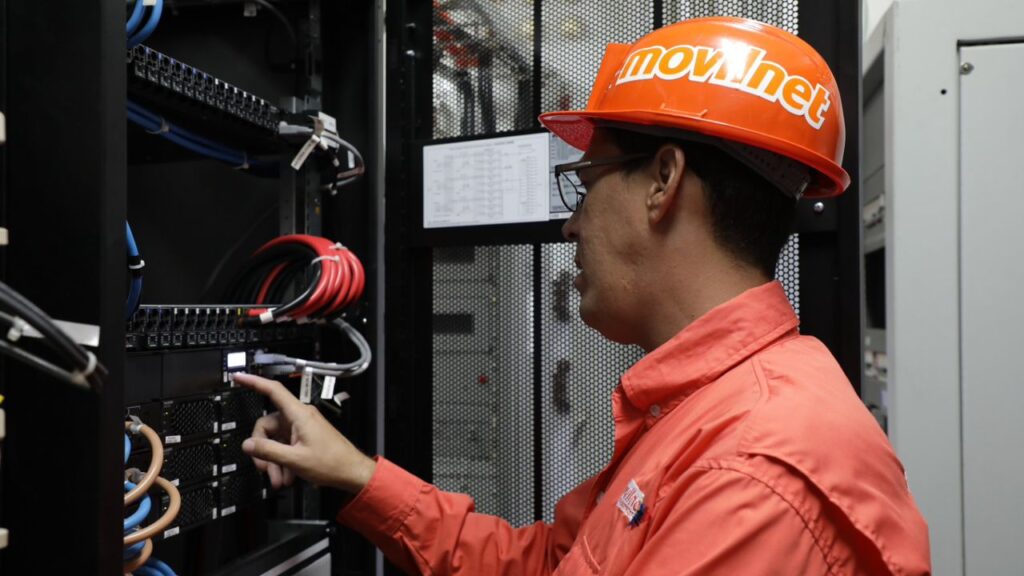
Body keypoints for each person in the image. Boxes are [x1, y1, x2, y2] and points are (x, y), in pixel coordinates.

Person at [232, 17, 932, 575]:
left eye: (587, 186)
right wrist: (359, 477)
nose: (571, 225)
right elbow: (550, 564)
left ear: (663, 183)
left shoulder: (752, 474)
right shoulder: (708, 413)